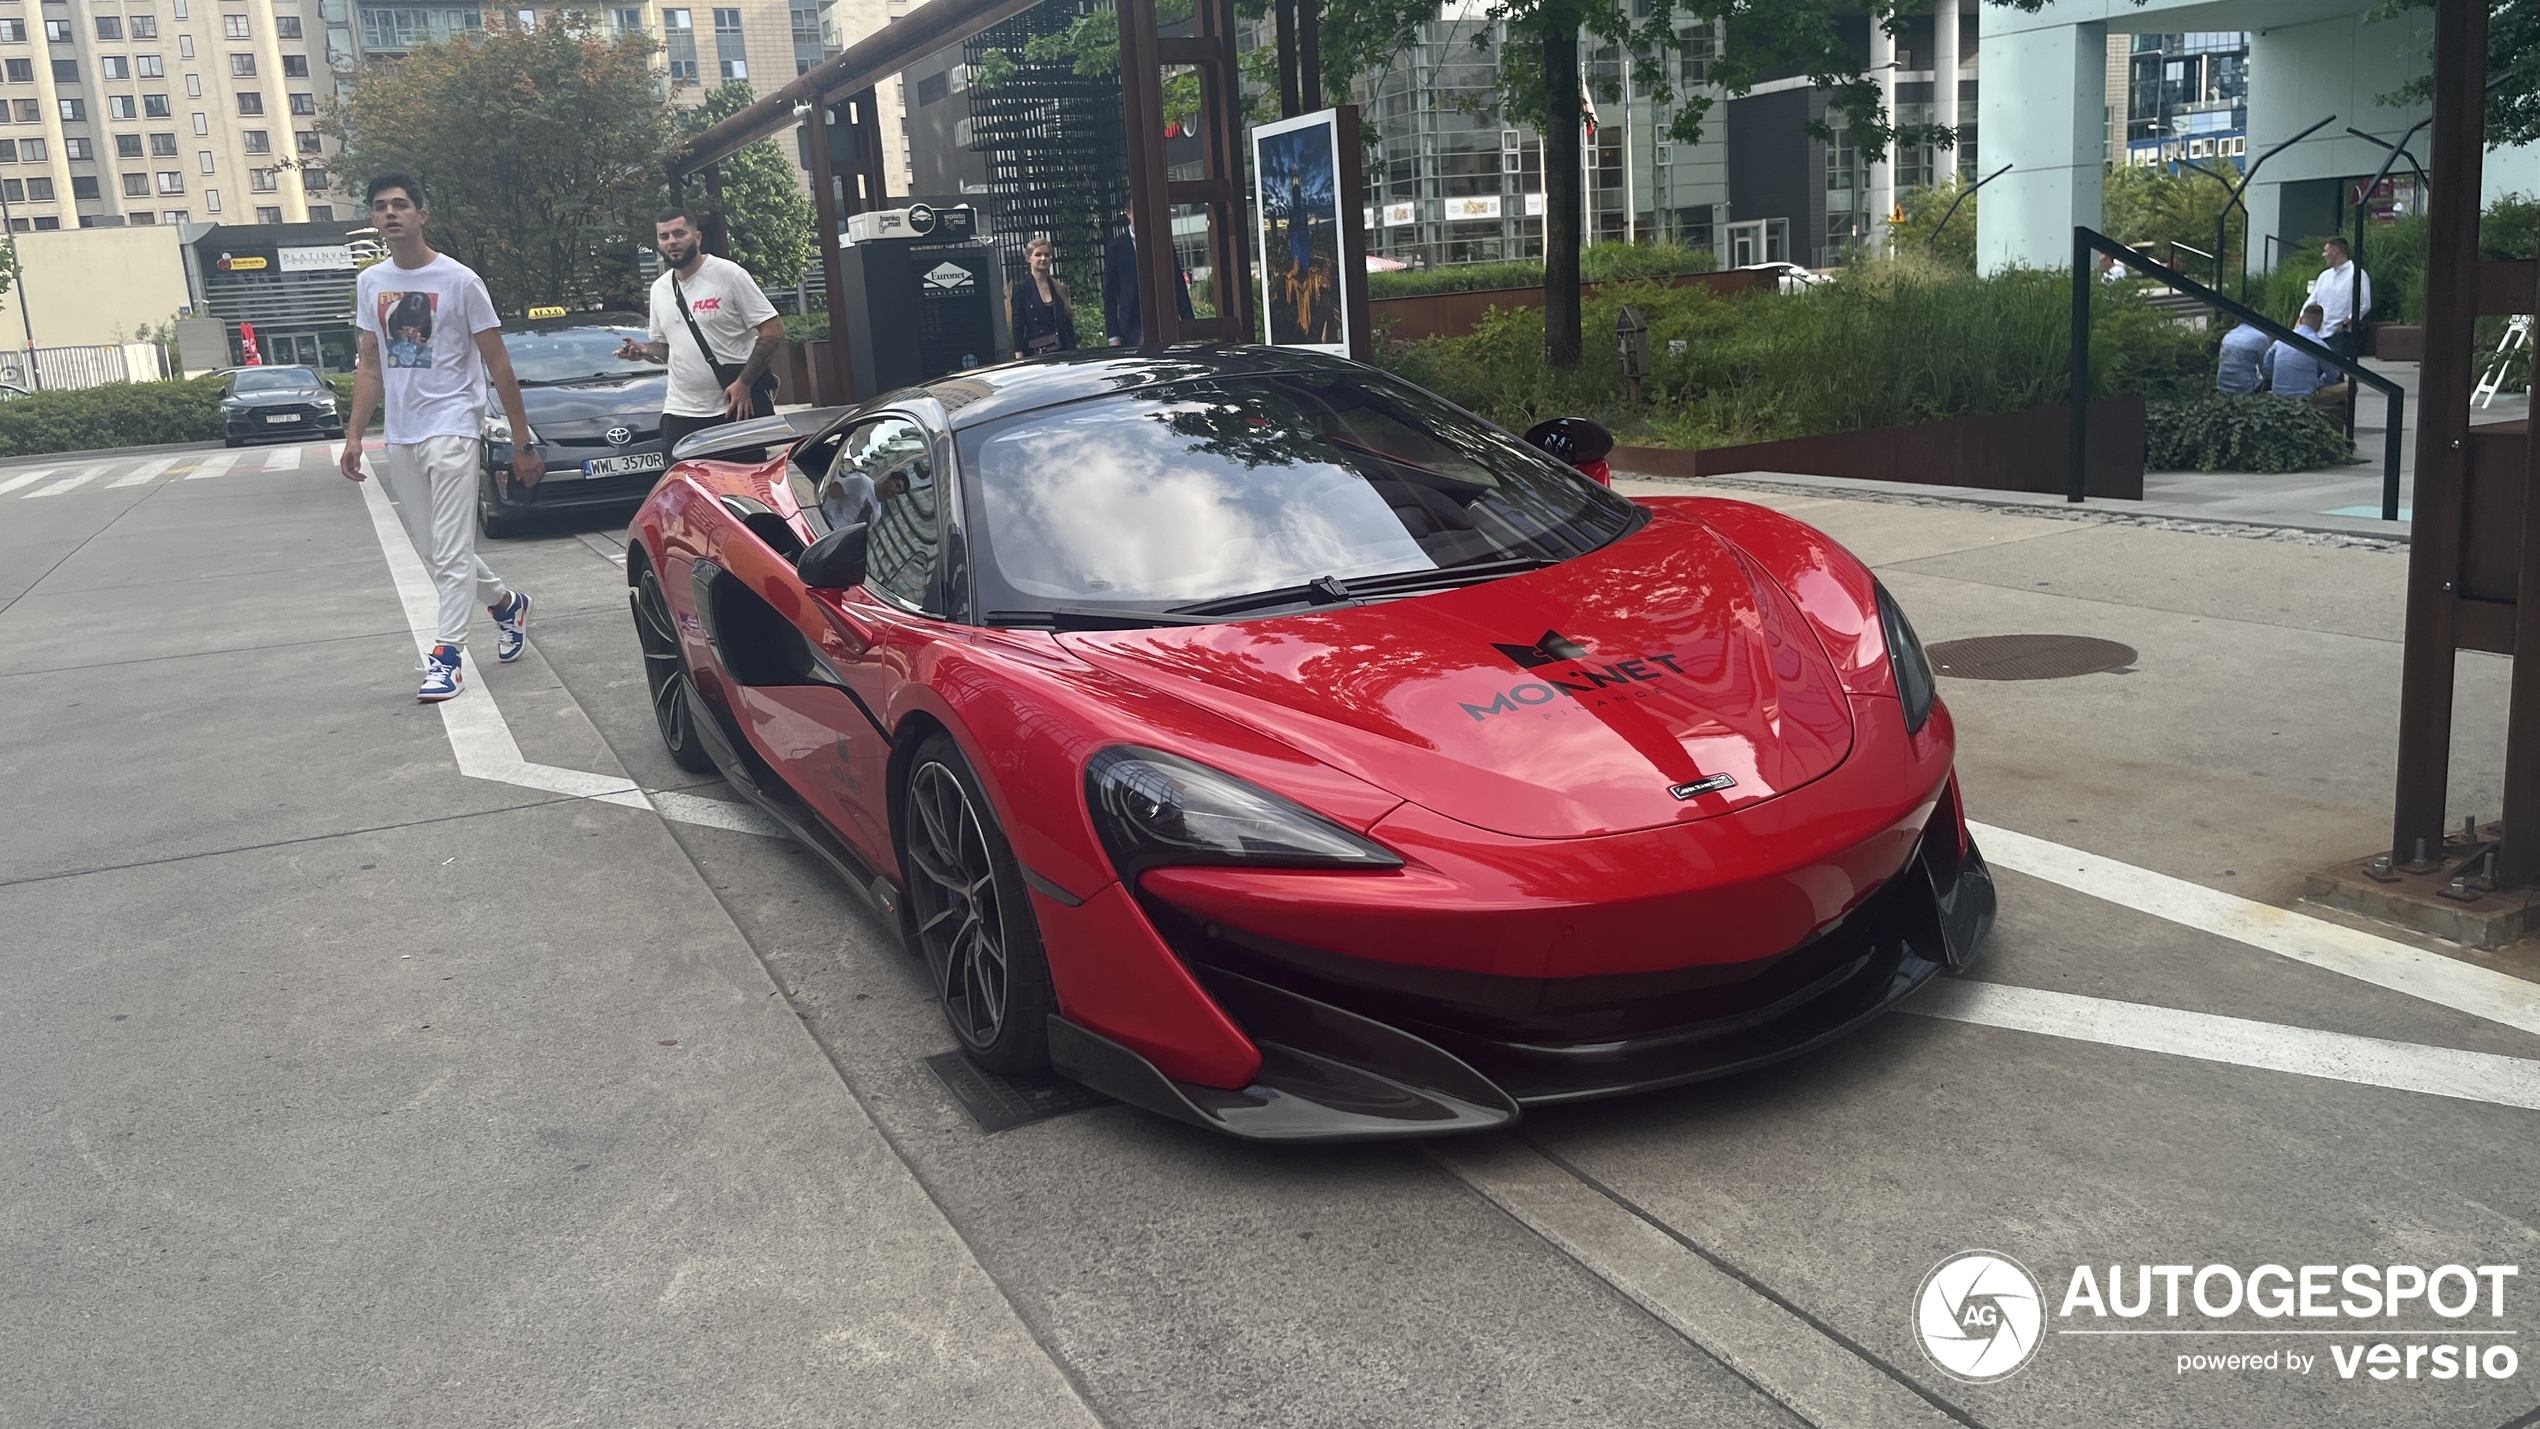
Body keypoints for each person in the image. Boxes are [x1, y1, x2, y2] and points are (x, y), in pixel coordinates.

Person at [338, 171, 541, 704]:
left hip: (453, 425)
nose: (391, 214)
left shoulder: (460, 281)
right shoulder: (370, 283)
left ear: (422, 214)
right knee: (435, 550)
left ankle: (447, 657)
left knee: (451, 553)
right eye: (381, 206)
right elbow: (369, 364)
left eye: (401, 205)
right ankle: (505, 604)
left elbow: (498, 362)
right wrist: (355, 434)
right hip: (402, 432)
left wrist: (522, 441)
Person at [616, 209, 784, 451]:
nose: (671, 241)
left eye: (679, 233)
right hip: (680, 411)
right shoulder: (659, 289)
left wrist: (744, 383)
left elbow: (773, 330)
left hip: (734, 407)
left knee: (741, 485)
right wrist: (643, 350)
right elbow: (668, 349)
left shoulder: (729, 274)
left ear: (697, 238)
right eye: (664, 236)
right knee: (684, 486)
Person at [1102, 205, 1195, 347]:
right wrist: (1113, 335)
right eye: (1136, 210)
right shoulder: (1115, 248)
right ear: (1128, 213)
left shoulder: (1162, 243)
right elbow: (1110, 295)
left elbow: (1178, 284)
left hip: (1163, 322)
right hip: (1130, 327)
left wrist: (1189, 325)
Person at [2260, 303, 2350, 408]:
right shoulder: (2318, 344)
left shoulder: (2281, 340)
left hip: (2279, 396)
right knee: (2350, 387)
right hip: (2305, 398)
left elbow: (2267, 364)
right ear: (2320, 323)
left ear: (2301, 320)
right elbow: (2334, 375)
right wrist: (2322, 383)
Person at [1007, 235, 1077, 359]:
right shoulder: (1021, 289)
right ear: (1029, 258)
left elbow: (1068, 325)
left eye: (1047, 255)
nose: (1043, 258)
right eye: (1038, 255)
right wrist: (1019, 356)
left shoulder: (1060, 288)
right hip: (1035, 354)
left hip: (1062, 352)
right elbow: (1018, 326)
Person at [2307, 236, 2372, 362]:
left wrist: (2346, 323)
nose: (2323, 255)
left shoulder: (2357, 274)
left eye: (2326, 251)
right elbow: (2312, 300)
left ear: (2335, 251)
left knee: (2334, 370)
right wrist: (2301, 319)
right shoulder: (2324, 276)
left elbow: (2364, 304)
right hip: (2319, 332)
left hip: (2340, 334)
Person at [2215, 318, 2270, 395]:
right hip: (2246, 388)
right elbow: (2265, 369)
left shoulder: (2229, 334)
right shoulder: (2260, 337)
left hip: (2222, 386)